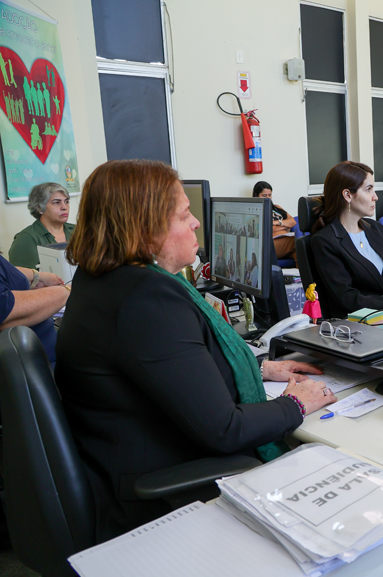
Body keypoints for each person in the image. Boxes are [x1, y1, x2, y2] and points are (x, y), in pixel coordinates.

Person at [55, 159, 337, 543]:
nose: (196, 224)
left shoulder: (103, 281)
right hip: (162, 500)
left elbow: (163, 369)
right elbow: (225, 429)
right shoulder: (146, 299)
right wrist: (296, 404)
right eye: (184, 214)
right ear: (146, 227)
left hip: (121, 468)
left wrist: (258, 367)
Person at [310, 161, 383, 318]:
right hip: (358, 322)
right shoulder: (325, 240)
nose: (375, 197)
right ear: (347, 195)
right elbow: (347, 298)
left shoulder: (376, 229)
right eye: (368, 189)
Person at [0, 254, 68, 363]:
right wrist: (66, 291)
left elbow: (6, 271)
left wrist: (37, 276)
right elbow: (5, 307)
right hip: (37, 360)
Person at [8, 182, 76, 270]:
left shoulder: (78, 230)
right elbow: (20, 276)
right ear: (39, 208)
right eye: (56, 203)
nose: (64, 207)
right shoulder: (26, 238)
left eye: (66, 202)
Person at [254, 181, 297, 263]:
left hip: (284, 242)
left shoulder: (277, 208)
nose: (268, 198)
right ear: (256, 195)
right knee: (298, 241)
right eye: (264, 195)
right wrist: (284, 225)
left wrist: (277, 222)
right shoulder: (255, 211)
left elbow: (293, 222)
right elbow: (265, 229)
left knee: (301, 254)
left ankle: (300, 272)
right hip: (269, 244)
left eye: (269, 195)